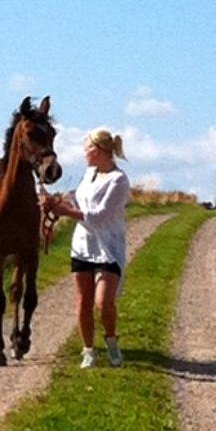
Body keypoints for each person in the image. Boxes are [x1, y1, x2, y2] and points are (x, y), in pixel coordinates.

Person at [41, 129, 130, 368]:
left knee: (103, 302)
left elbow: (100, 216)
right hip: (82, 247)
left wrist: (65, 212)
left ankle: (111, 342)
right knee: (83, 302)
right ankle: (88, 350)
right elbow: (78, 199)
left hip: (108, 248)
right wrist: (56, 201)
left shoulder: (118, 180)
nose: (84, 154)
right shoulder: (89, 174)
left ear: (98, 151)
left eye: (87, 149)